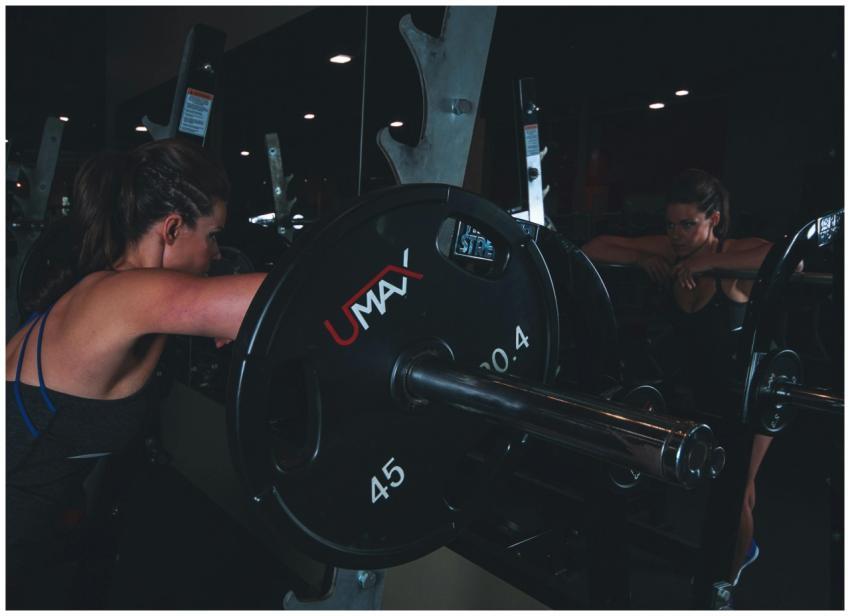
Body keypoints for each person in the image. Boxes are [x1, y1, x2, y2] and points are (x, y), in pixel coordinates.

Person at [5, 138, 267, 606]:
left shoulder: (107, 289)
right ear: (172, 229)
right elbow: (286, 298)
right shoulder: (125, 296)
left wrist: (216, 315)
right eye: (212, 236)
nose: (216, 253)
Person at [582, 168, 773, 587]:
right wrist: (640, 258)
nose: (676, 235)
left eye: (688, 224)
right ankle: (739, 550)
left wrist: (710, 262)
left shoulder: (729, 256)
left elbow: (784, 257)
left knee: (737, 491)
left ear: (713, 220)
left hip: (754, 390)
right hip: (706, 391)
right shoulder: (670, 250)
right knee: (726, 484)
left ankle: (724, 588)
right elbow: (593, 248)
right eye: (670, 225)